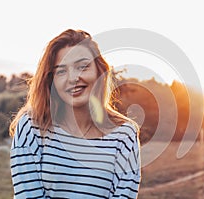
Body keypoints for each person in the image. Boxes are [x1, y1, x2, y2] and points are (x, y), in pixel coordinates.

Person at [9, 29, 141, 198]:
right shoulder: (30, 128)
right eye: (61, 71)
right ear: (52, 80)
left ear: (99, 72)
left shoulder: (124, 135)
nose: (73, 78)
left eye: (82, 67)